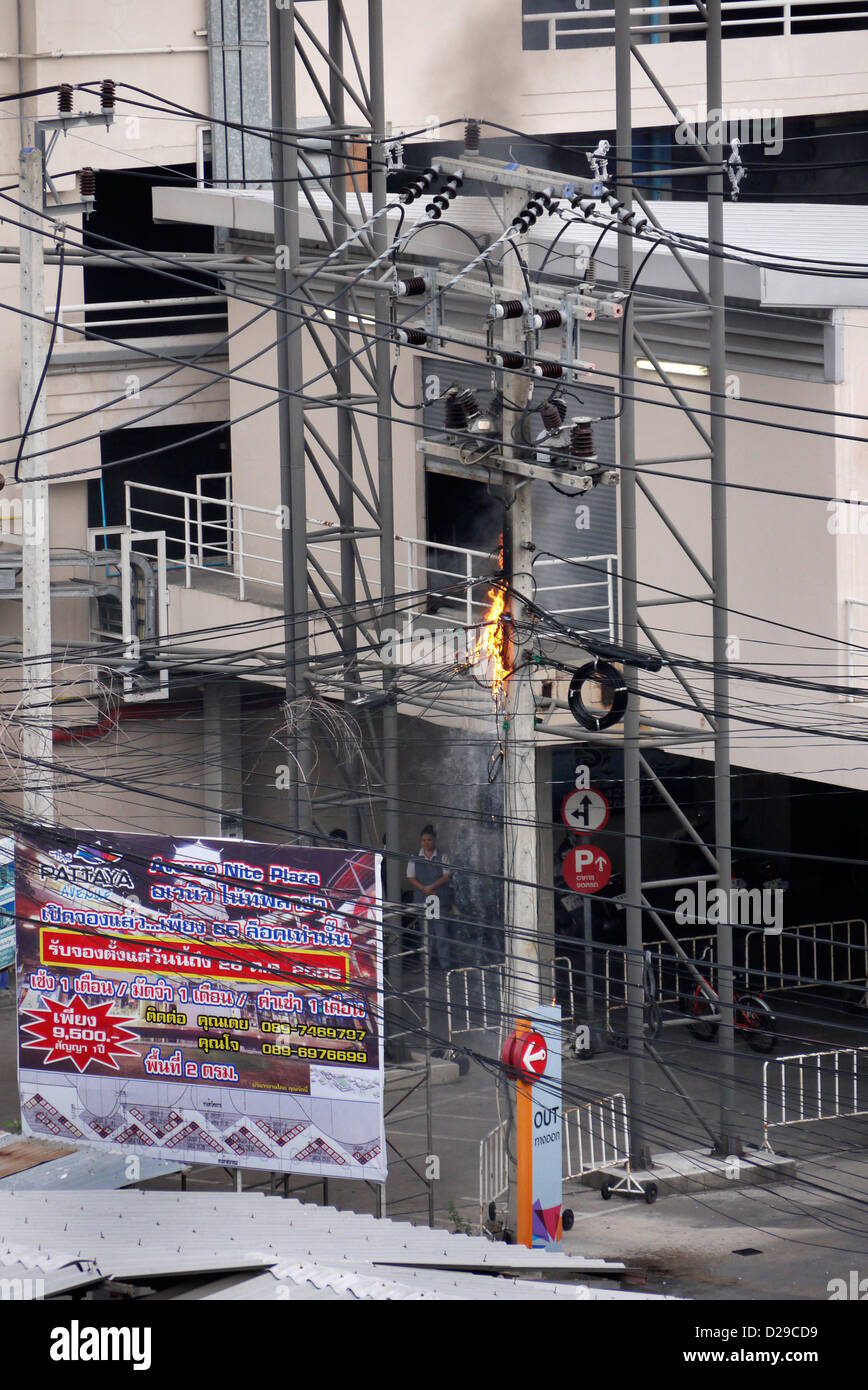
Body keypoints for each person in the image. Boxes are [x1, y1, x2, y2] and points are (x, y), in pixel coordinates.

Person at [406, 824, 453, 971]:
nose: (426, 843)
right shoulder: (414, 856)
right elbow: (410, 876)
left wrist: (432, 886)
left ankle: (446, 966)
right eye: (424, 840)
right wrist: (424, 889)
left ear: (434, 840)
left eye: (429, 840)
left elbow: (447, 874)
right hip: (423, 899)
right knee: (426, 933)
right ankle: (425, 964)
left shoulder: (442, 856)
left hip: (439, 897)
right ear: (421, 841)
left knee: (441, 933)